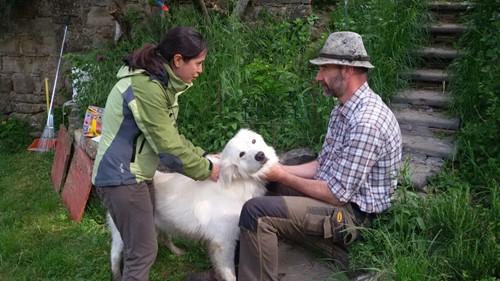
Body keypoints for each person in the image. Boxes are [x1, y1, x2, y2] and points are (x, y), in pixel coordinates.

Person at [237, 31, 402, 280]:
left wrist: (283, 174)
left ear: (346, 70)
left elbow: (337, 194)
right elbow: (322, 164)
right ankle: (232, 268)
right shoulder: (344, 108)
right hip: (336, 198)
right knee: (264, 181)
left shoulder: (367, 121)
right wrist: (272, 168)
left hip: (351, 217)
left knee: (256, 212)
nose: (318, 77)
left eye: (324, 69)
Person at [91, 26, 220, 281]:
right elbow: (168, 147)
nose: (200, 70)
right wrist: (207, 169)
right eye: (198, 63)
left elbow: (171, 135)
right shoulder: (146, 88)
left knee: (140, 246)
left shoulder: (159, 83)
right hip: (122, 177)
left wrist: (204, 155)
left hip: (135, 173)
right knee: (143, 252)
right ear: (178, 60)